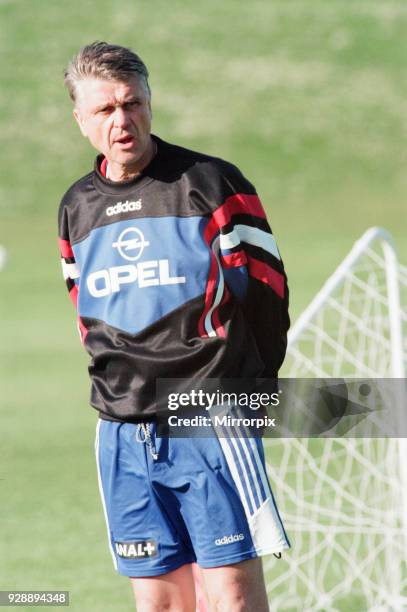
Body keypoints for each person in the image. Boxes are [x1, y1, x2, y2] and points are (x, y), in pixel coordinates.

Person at [59, 41, 290, 612]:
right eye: (105, 110)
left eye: (131, 103)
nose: (122, 121)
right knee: (160, 601)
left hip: (207, 417)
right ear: (80, 119)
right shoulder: (75, 207)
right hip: (121, 430)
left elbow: (268, 293)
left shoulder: (210, 183)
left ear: (149, 101)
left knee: (232, 594)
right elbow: (83, 309)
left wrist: (249, 392)